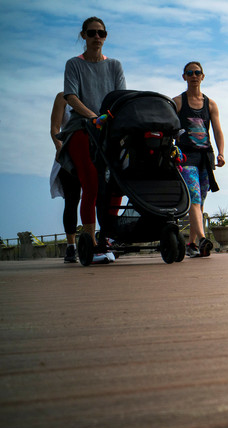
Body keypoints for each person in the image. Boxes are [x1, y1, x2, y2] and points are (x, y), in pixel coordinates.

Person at [59, 16, 126, 264]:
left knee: (116, 184)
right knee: (92, 184)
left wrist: (109, 119)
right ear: (83, 36)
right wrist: (94, 117)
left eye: (101, 33)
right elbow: (71, 96)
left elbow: (120, 97)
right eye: (91, 33)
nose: (97, 37)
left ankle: (106, 235)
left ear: (105, 36)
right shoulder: (74, 64)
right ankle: (91, 242)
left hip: (108, 128)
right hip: (83, 127)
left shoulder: (115, 65)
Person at [172, 61, 226, 258]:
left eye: (197, 72)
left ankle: (192, 244)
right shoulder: (177, 102)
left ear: (202, 76)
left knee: (200, 200)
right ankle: (203, 239)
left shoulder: (210, 103)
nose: (194, 75)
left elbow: (218, 130)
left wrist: (221, 153)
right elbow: (168, 127)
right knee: (193, 198)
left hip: (205, 157)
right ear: (184, 76)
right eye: (190, 73)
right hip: (185, 156)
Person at [49, 92, 82, 263]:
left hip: (93, 154)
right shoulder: (63, 97)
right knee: (72, 199)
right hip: (68, 156)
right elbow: (55, 128)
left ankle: (101, 240)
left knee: (99, 197)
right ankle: (71, 246)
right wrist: (59, 146)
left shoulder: (95, 94)